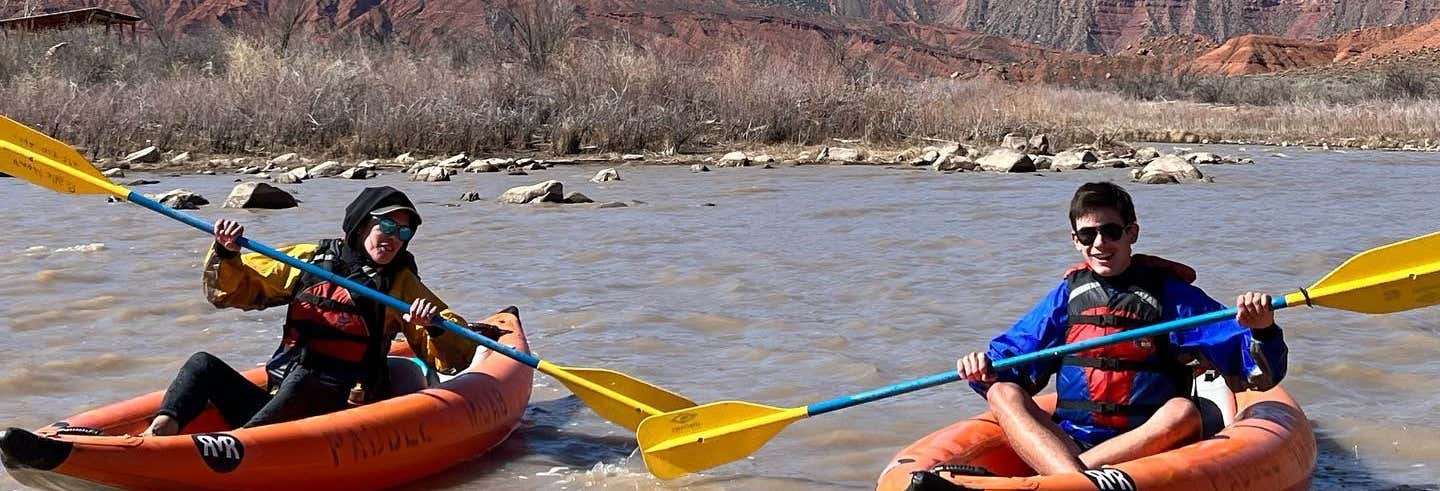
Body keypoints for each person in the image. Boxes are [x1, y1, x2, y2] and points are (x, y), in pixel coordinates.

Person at [955, 181, 1288, 475]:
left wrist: (1262, 329)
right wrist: (984, 369)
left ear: (1132, 233)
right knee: (1002, 393)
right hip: (1070, 441)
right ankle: (1075, 477)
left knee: (1183, 411)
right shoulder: (1066, 296)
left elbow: (1255, 369)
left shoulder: (1171, 295)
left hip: (1145, 444)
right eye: (1088, 235)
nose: (1100, 243)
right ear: (1075, 240)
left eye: (1111, 231)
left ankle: (1067, 479)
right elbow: (1013, 360)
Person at [143, 186, 507, 436]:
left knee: (310, 374)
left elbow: (454, 357)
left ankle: (240, 445)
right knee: (202, 364)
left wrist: (434, 328)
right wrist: (226, 253)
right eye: (387, 226)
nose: (394, 238)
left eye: (404, 233)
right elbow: (234, 292)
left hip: (346, 409)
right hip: (281, 397)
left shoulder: (401, 285)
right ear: (362, 225)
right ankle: (159, 433)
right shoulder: (310, 259)